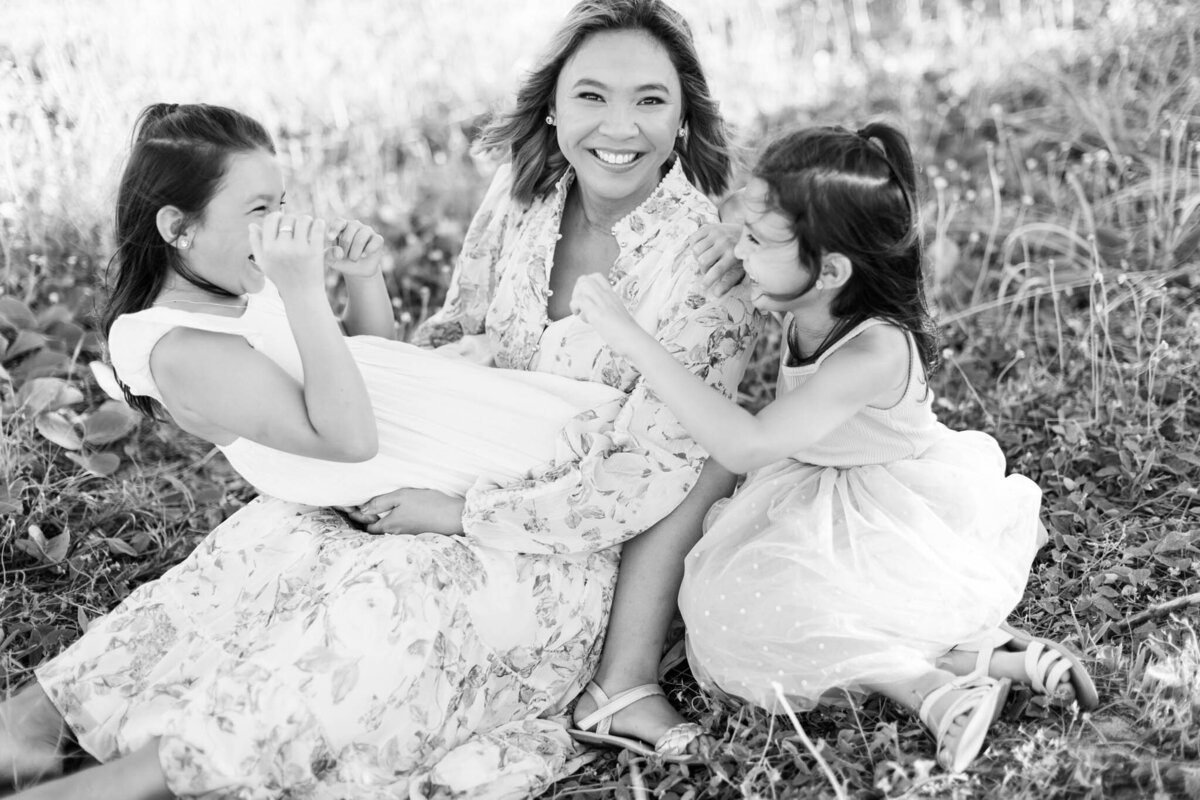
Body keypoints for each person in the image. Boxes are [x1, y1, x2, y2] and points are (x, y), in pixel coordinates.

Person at [0, 1, 759, 798]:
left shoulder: (708, 267)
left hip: (564, 542)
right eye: (592, 96)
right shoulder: (526, 198)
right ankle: (44, 719)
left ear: (683, 122)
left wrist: (459, 512)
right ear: (553, 107)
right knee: (275, 534)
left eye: (650, 100)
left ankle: (152, 775)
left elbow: (652, 479)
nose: (620, 126)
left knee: (391, 598)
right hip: (447, 462)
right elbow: (453, 336)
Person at [571, 122, 1096, 772]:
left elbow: (748, 442)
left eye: (757, 240)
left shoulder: (873, 350)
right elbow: (756, 242)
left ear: (831, 270)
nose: (739, 248)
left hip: (898, 507)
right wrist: (739, 242)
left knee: (748, 612)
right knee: (775, 597)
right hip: (819, 485)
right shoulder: (811, 289)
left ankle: (935, 693)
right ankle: (990, 657)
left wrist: (630, 338)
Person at [100, 103, 630, 510]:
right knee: (604, 475)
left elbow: (361, 358)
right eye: (258, 209)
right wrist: (302, 292)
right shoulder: (179, 350)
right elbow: (347, 437)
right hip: (430, 451)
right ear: (177, 227)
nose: (281, 224)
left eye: (280, 204)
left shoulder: (233, 290)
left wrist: (362, 280)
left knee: (617, 439)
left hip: (440, 415)